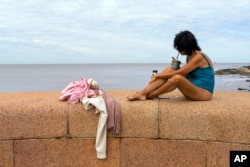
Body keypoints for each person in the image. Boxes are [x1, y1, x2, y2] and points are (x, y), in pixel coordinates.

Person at [127, 30, 215, 101]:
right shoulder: (189, 56)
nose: (177, 49)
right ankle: (143, 93)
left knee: (177, 78)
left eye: (179, 47)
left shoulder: (199, 57)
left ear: (187, 46)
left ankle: (150, 95)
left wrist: (157, 75)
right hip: (193, 88)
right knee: (170, 68)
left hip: (203, 93)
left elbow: (180, 73)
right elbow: (185, 74)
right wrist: (174, 66)